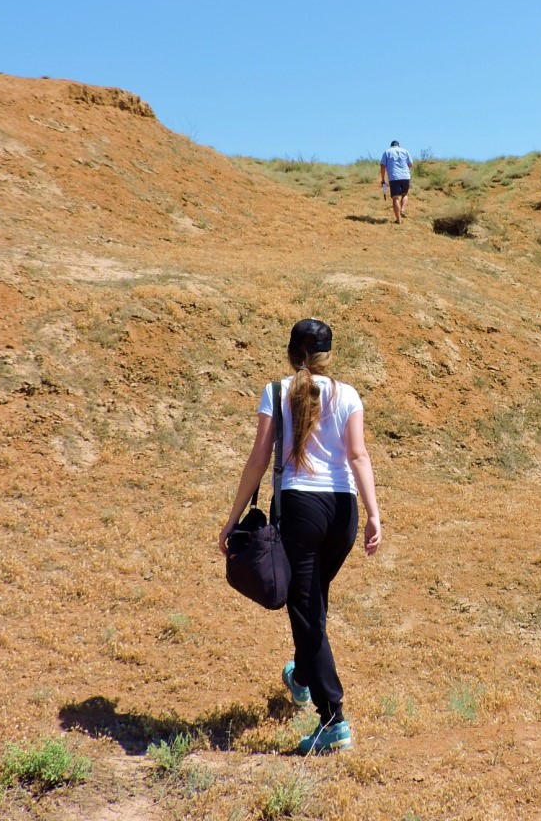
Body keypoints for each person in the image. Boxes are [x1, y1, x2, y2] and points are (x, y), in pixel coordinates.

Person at [219, 318, 382, 754]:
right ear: (329, 355)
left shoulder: (277, 392)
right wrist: (373, 514)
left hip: (301, 509)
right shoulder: (348, 394)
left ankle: (333, 720)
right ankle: (303, 676)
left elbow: (258, 460)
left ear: (292, 353)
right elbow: (358, 455)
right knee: (312, 602)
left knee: (306, 612)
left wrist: (233, 518)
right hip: (343, 512)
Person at [378, 140, 414, 224]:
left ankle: (398, 220)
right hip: (405, 176)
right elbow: (411, 164)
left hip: (394, 177)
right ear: (398, 145)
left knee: (395, 198)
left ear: (391, 146)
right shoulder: (405, 151)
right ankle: (402, 210)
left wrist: (383, 179)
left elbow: (383, 166)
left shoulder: (387, 152)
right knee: (405, 194)